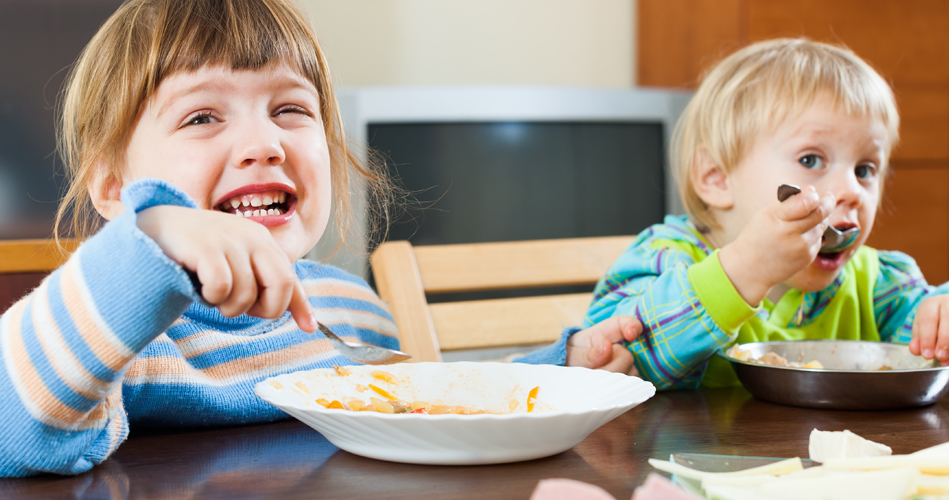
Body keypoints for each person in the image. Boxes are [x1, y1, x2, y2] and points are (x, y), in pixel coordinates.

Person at [0, 0, 641, 477]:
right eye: (201, 116)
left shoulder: (350, 304)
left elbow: (428, 406)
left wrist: (559, 371)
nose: (265, 144)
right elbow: (17, 427)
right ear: (114, 189)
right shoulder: (124, 335)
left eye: (290, 110)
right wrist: (152, 237)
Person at [584, 38, 949, 390]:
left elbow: (926, 351)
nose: (853, 190)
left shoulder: (877, 285)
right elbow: (606, 358)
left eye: (865, 169)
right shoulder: (663, 258)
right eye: (811, 160)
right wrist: (746, 269)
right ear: (717, 177)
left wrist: (941, 315)